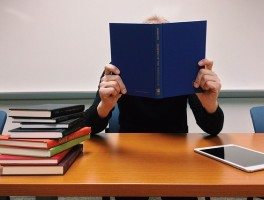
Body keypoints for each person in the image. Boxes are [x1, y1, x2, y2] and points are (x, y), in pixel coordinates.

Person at [84, 16, 224, 200]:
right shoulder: (117, 70)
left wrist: (210, 102)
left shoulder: (186, 68)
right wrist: (106, 105)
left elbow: (213, 128)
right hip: (130, 154)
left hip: (176, 154)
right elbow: (88, 128)